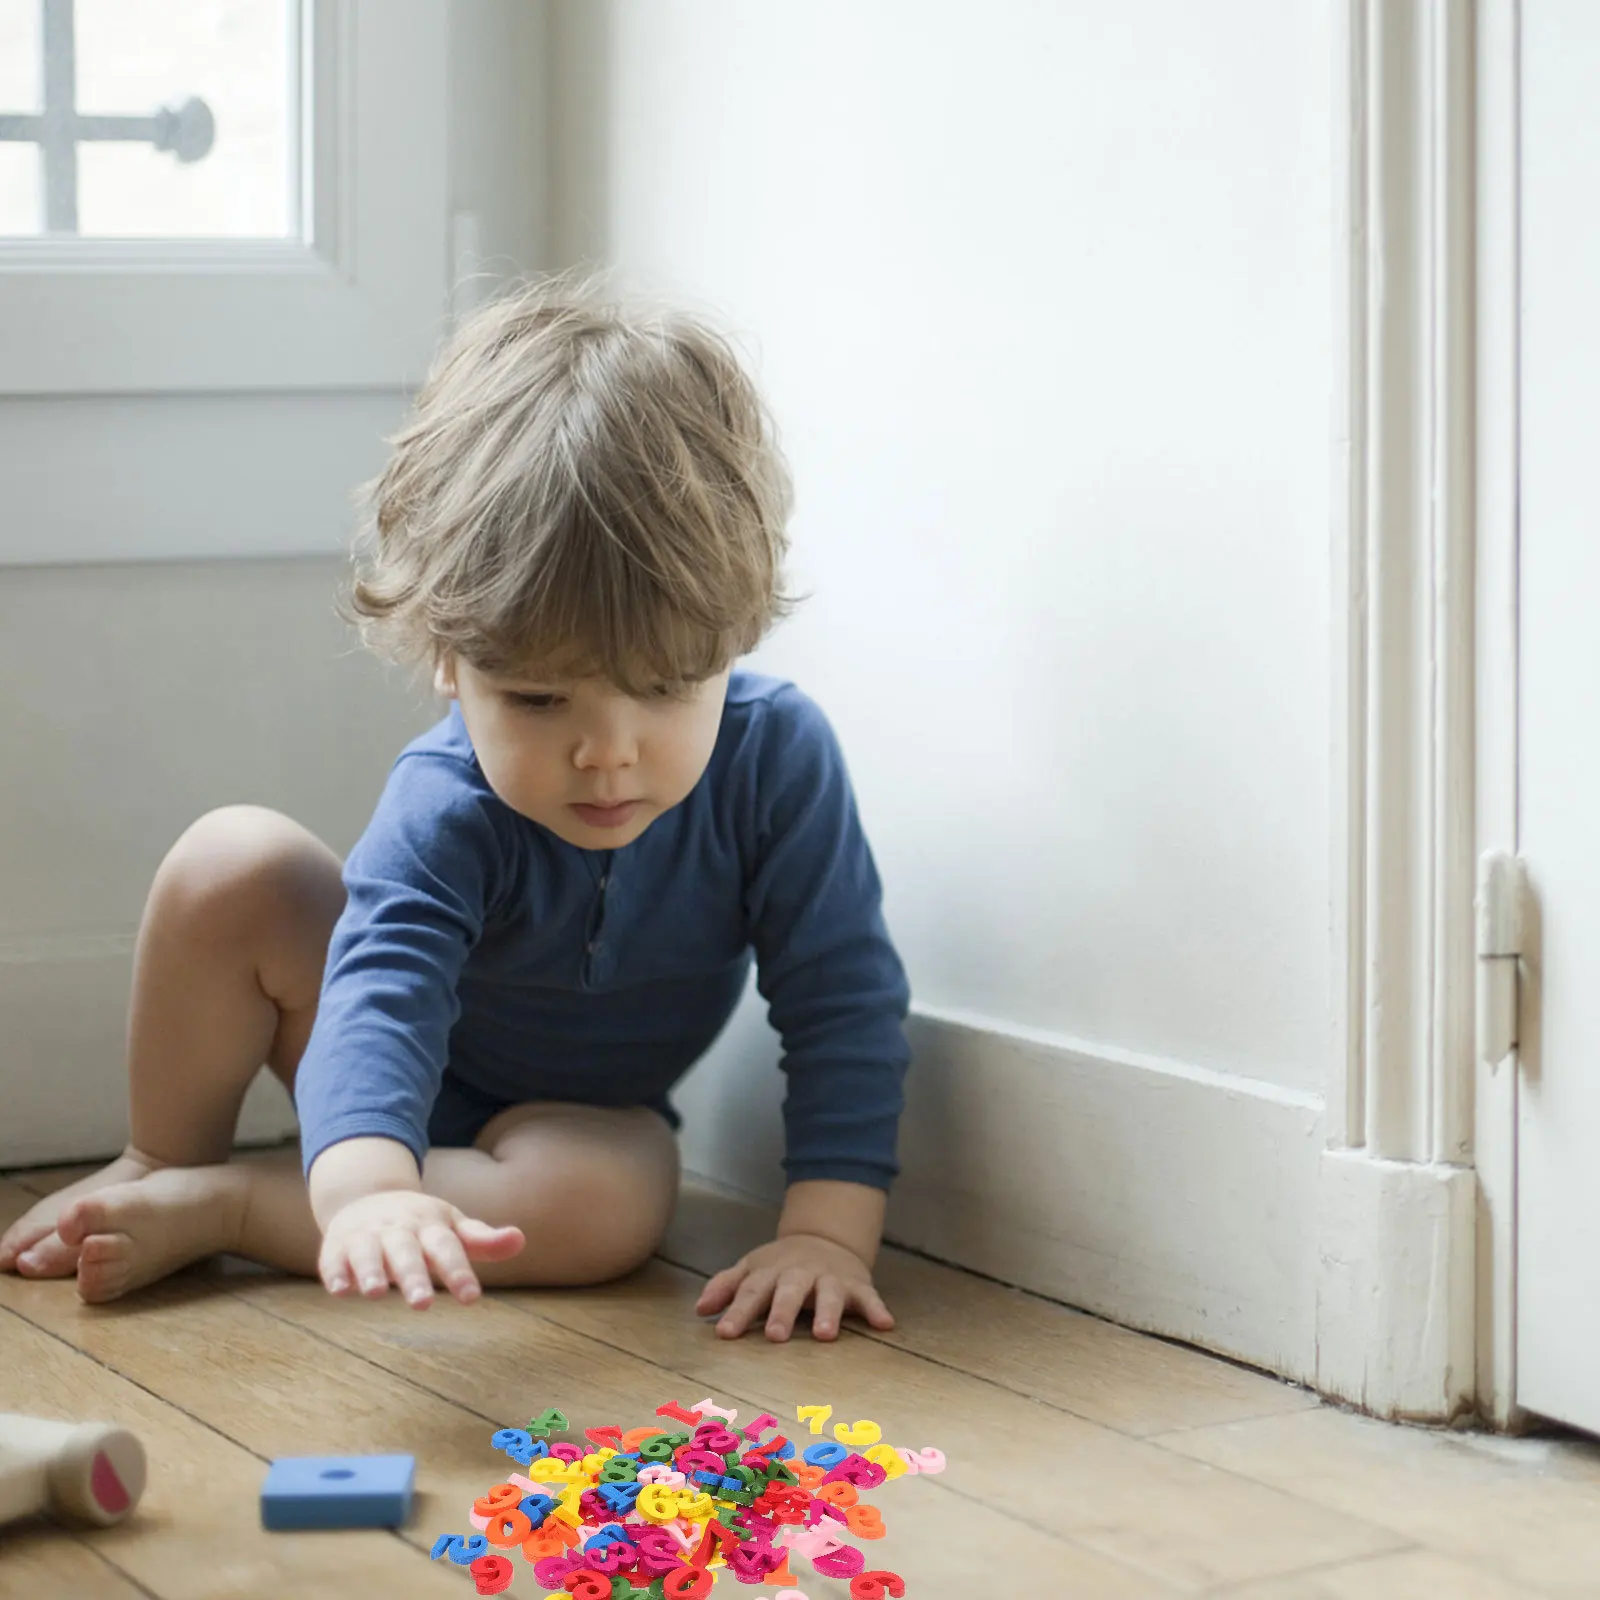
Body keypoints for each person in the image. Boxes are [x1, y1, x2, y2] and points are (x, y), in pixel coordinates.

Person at [0, 275, 912, 1343]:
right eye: (537, 698)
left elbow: (842, 1000)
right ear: (448, 655)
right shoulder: (447, 804)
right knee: (230, 863)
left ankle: (231, 1206)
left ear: (736, 638)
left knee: (610, 1209)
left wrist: (825, 1235)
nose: (606, 753)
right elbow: (379, 995)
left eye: (666, 687)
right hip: (369, 1073)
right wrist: (370, 1187)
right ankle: (170, 1160)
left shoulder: (777, 761)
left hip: (573, 1124)